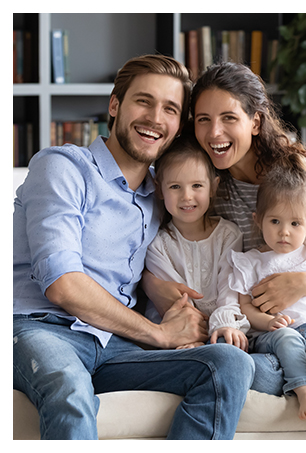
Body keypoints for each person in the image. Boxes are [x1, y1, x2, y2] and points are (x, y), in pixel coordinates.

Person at [13, 55, 255, 440]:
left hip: (114, 346)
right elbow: (62, 281)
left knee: (228, 363)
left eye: (170, 109)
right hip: (43, 330)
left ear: (178, 127)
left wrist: (155, 285)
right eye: (144, 101)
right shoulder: (63, 167)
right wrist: (156, 334)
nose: (155, 118)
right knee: (69, 390)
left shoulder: (165, 192)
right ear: (115, 105)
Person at [142, 61, 306, 397]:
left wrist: (302, 283)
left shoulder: (303, 177)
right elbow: (162, 236)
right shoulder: (206, 188)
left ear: (255, 121)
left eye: (229, 118)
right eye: (203, 120)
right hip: (266, 338)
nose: (214, 133)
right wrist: (152, 283)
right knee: (248, 372)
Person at [228, 153, 306, 424]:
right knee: (288, 340)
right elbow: (244, 306)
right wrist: (269, 321)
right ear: (258, 220)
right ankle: (304, 390)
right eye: (275, 222)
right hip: (274, 334)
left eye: (295, 224)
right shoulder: (251, 261)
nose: (284, 232)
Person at [145, 133, 250, 350]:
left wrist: (225, 325)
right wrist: (191, 338)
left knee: (231, 350)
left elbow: (229, 289)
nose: (187, 196)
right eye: (175, 186)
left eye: (197, 186)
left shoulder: (228, 235)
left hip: (221, 329)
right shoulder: (157, 243)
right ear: (159, 188)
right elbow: (178, 301)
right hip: (178, 333)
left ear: (213, 187)